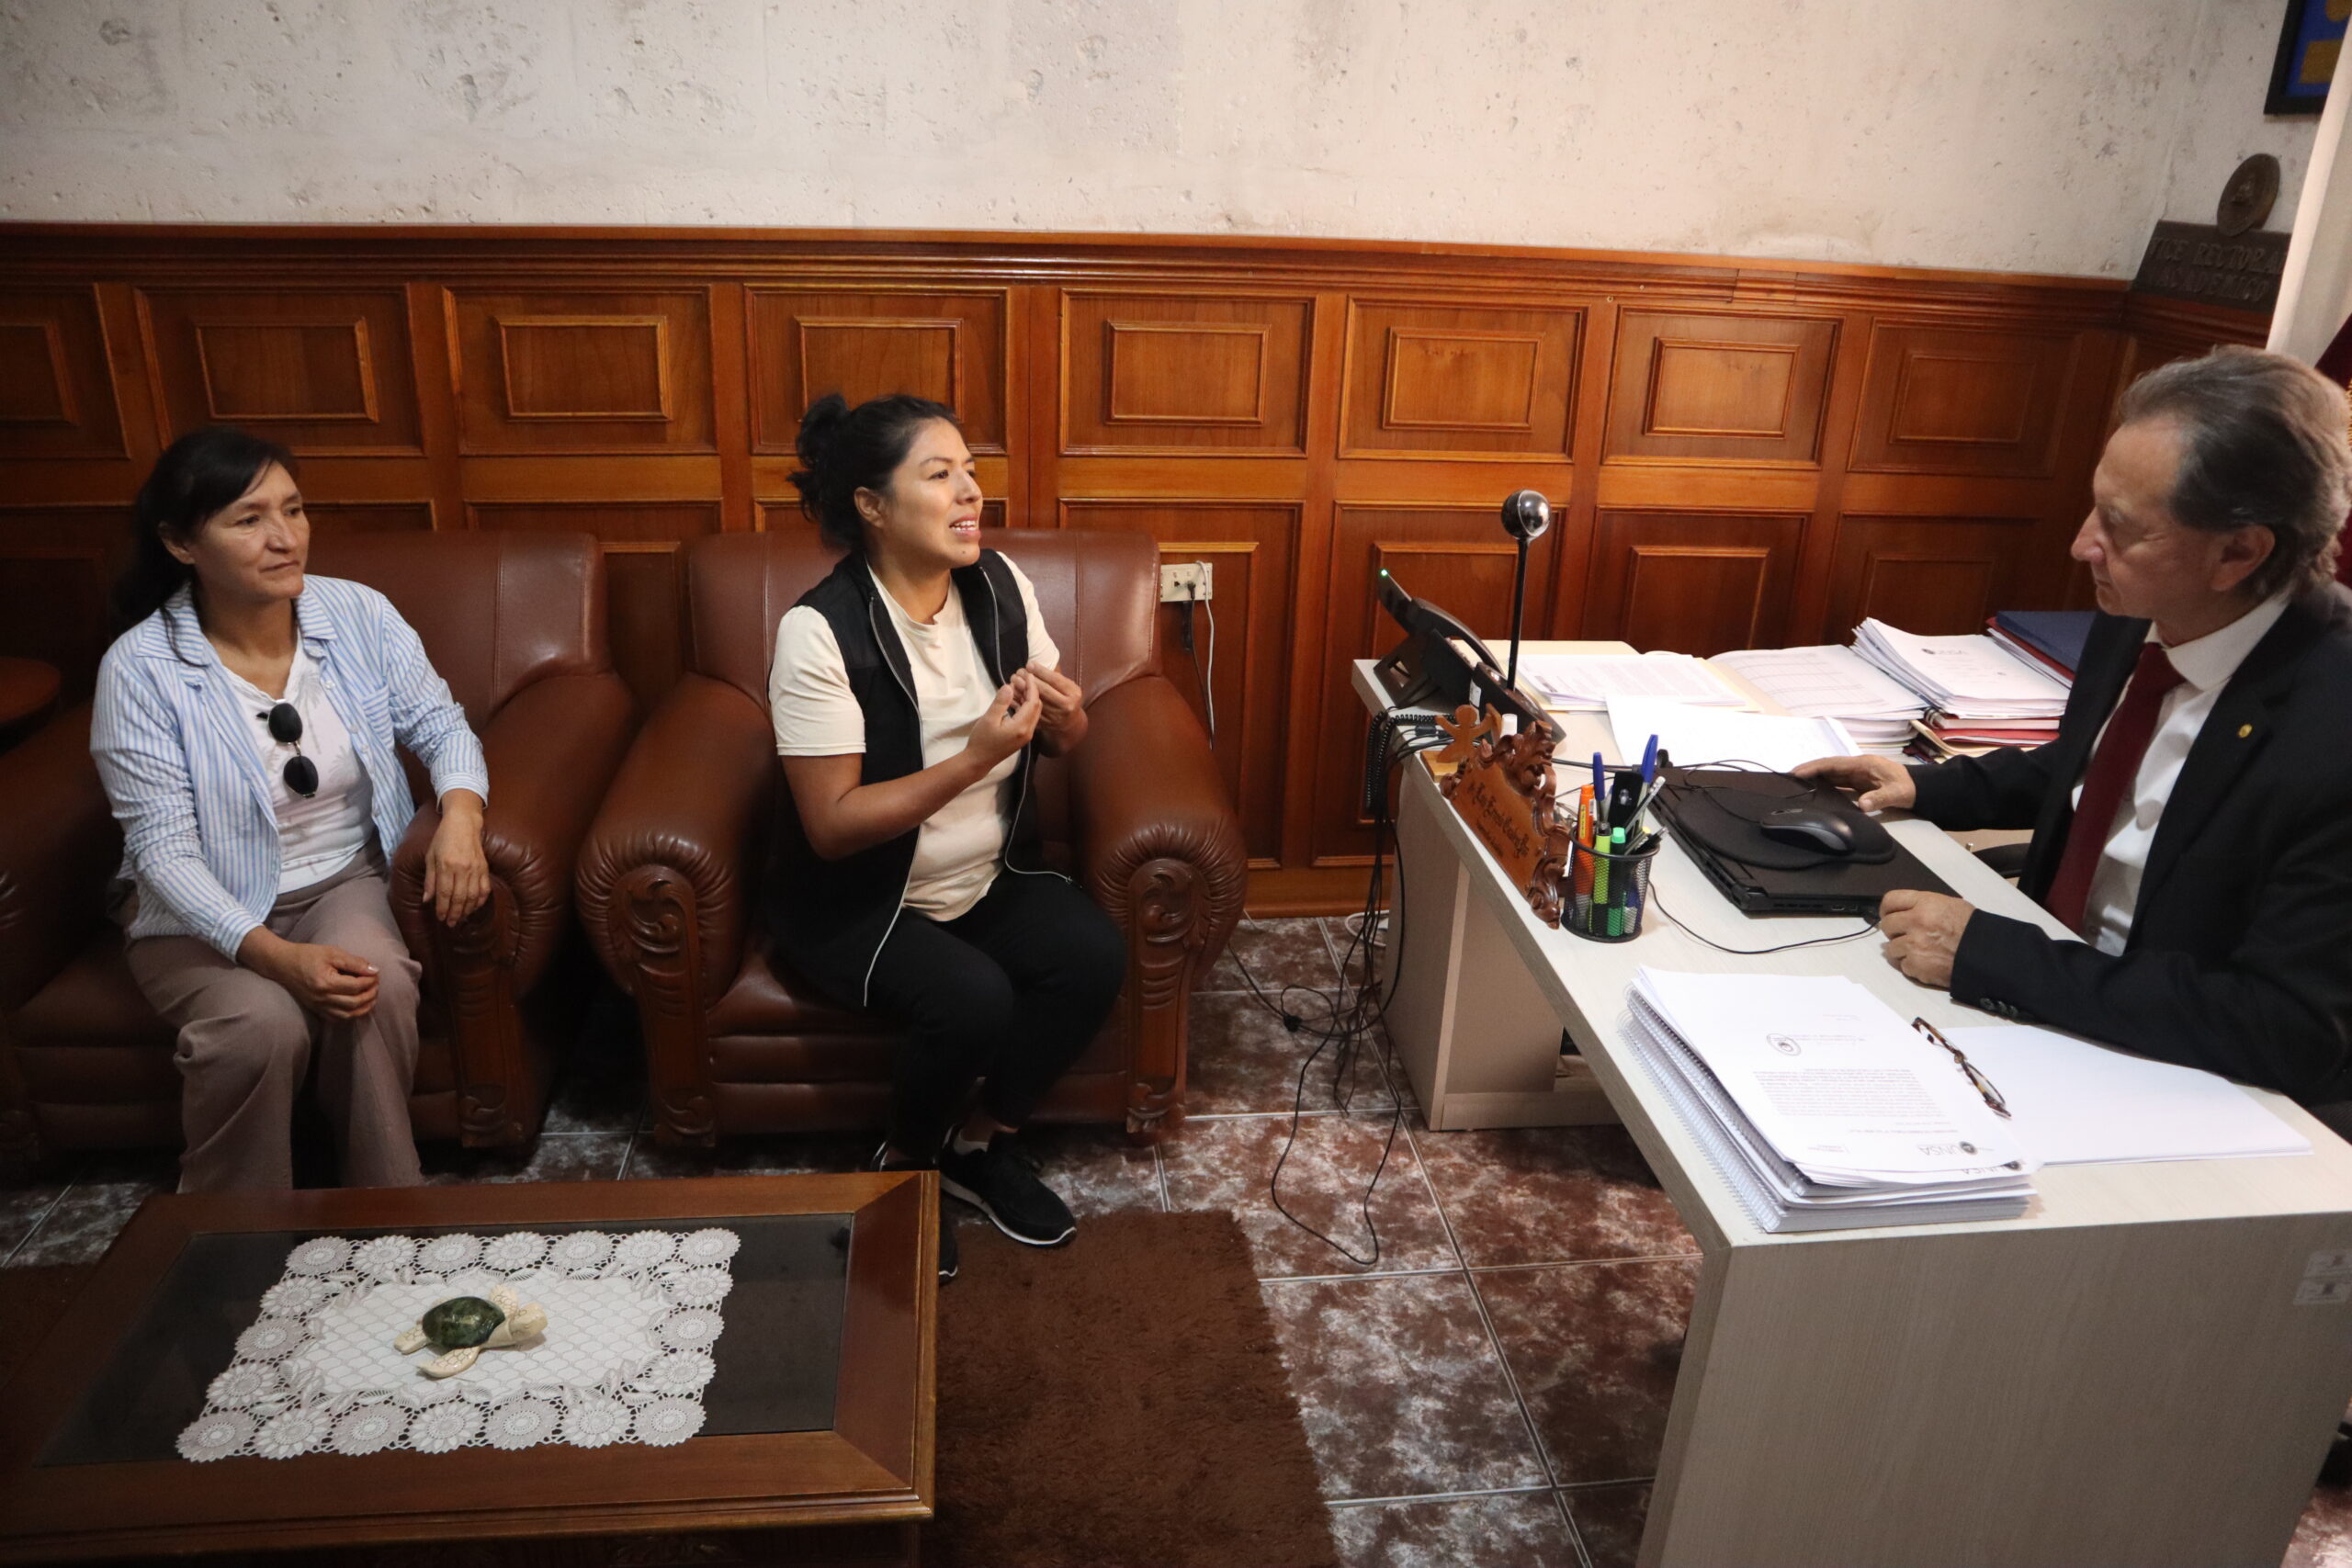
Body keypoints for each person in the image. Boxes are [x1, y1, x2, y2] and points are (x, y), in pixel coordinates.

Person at [1796, 346, 2352, 1107]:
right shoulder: (2147, 607)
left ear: (2239, 552)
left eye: (2120, 525)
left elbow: (2286, 1028)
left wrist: (1999, 957)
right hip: (2051, 1006)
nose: (2082, 543)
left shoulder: (2331, 728)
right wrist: (1928, 786)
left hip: (2186, 1081)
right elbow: (2098, 763)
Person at [765, 392, 1125, 1279]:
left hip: (984, 875)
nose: (970, 492)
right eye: (939, 475)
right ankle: (907, 1166)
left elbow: (1065, 739)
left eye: (970, 471)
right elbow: (831, 825)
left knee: (1092, 953)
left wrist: (1068, 719)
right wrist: (972, 761)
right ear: (872, 505)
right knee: (973, 998)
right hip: (862, 900)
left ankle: (979, 1144)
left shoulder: (1000, 587)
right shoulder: (818, 630)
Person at [92, 426, 491, 1192]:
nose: (285, 538)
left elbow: (441, 727)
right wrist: (276, 958)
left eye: (294, 510)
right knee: (258, 1028)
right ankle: (232, 1235)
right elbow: (163, 853)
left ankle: (389, 1208)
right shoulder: (139, 669)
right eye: (249, 519)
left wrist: (461, 819)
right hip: (195, 912)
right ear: (180, 543)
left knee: (375, 984)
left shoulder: (358, 613)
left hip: (342, 879)